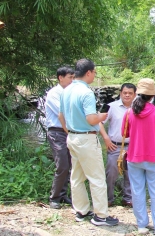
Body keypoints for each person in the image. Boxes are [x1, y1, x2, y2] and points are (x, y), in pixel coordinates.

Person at [58, 58, 118, 226]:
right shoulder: (86, 92)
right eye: (95, 72)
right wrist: (103, 116)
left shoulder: (66, 90)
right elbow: (91, 118)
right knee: (97, 177)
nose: (94, 75)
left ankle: (81, 210)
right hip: (86, 138)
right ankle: (101, 216)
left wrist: (69, 131)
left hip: (72, 137)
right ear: (89, 72)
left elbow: (61, 116)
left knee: (76, 176)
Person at [122, 78, 155, 235]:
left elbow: (124, 133)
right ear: (152, 96)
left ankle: (141, 225)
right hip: (154, 157)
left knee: (137, 191)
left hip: (134, 157)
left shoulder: (129, 112)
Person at [99, 83, 136, 207]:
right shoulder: (111, 106)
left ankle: (128, 198)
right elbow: (98, 122)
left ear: (135, 95)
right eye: (125, 92)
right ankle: (108, 198)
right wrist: (106, 138)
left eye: (130, 93)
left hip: (132, 145)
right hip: (114, 145)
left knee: (131, 173)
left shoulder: (138, 108)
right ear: (120, 93)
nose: (127, 95)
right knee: (111, 172)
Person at [45, 66, 75, 209]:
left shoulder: (70, 92)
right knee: (62, 164)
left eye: (73, 77)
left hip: (69, 131)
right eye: (70, 77)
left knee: (69, 164)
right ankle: (55, 197)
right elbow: (62, 113)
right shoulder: (54, 93)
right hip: (57, 132)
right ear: (60, 78)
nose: (72, 80)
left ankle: (63, 194)